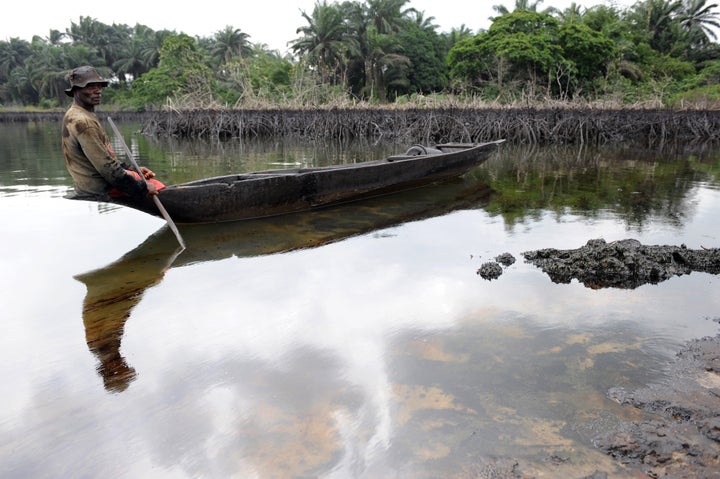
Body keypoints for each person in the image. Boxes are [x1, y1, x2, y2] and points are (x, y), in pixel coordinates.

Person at [62, 65, 164, 200]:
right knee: (157, 186)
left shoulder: (79, 114)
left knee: (144, 179)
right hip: (99, 189)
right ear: (76, 91)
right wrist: (143, 188)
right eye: (91, 87)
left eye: (99, 86)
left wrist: (133, 169)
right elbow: (107, 169)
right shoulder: (83, 122)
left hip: (93, 184)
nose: (98, 91)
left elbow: (105, 158)